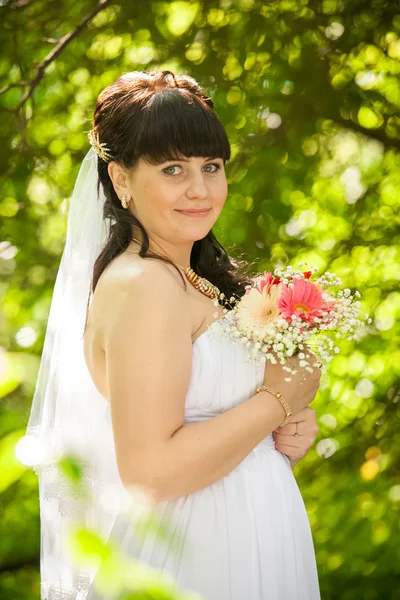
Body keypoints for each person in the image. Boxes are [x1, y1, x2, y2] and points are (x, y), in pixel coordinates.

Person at [26, 69, 321, 600]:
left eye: (211, 166)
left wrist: (282, 435)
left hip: (243, 534)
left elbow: (213, 424)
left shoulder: (189, 280)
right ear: (121, 180)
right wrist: (279, 400)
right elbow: (150, 471)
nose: (200, 190)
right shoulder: (144, 284)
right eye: (172, 169)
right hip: (196, 555)